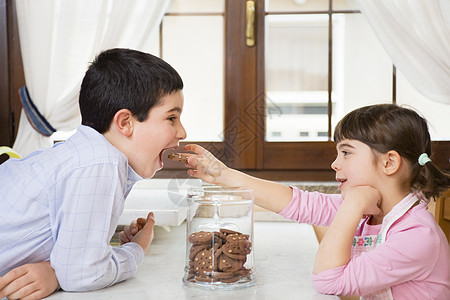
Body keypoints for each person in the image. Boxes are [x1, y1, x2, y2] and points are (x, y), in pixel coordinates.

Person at [179, 104, 450, 299]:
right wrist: (223, 174)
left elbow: (329, 281)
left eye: (346, 153)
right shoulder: (374, 210)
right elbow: (298, 203)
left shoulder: (416, 235)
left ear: (389, 162)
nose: (335, 164)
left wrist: (352, 206)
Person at [0, 48, 187, 299]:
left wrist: (59, 267)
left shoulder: (87, 155)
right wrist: (137, 248)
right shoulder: (100, 164)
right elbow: (83, 275)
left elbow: (74, 260)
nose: (182, 132)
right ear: (125, 123)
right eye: (172, 118)